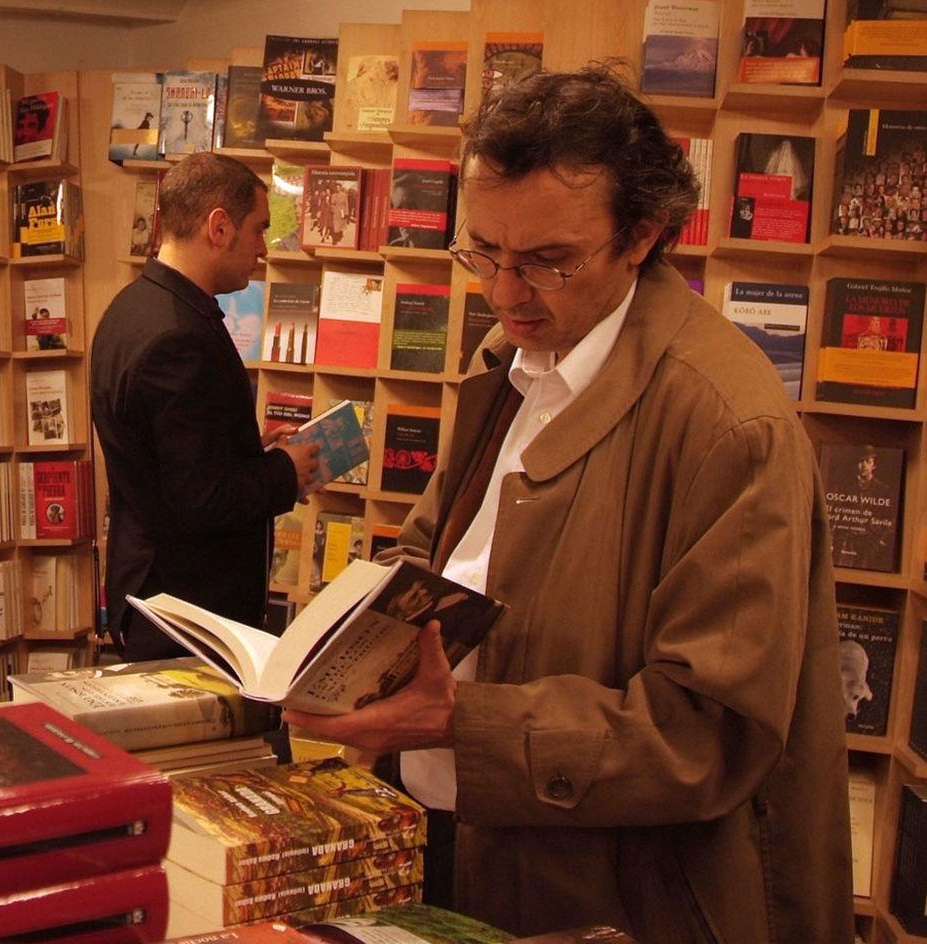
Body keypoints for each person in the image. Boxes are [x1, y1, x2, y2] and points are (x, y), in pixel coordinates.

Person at [282, 67, 850, 942]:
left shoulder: (730, 424)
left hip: (623, 900)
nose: (507, 294)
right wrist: (349, 645)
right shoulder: (504, 362)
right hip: (463, 849)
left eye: (548, 261)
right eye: (485, 253)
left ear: (642, 237)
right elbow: (432, 555)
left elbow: (708, 731)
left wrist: (459, 721)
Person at [90, 152, 317, 661]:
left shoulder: (131, 307)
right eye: (258, 229)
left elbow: (166, 458)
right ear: (219, 227)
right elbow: (198, 499)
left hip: (158, 595)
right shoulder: (177, 336)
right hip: (185, 611)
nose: (262, 249)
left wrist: (242, 450)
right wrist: (285, 472)